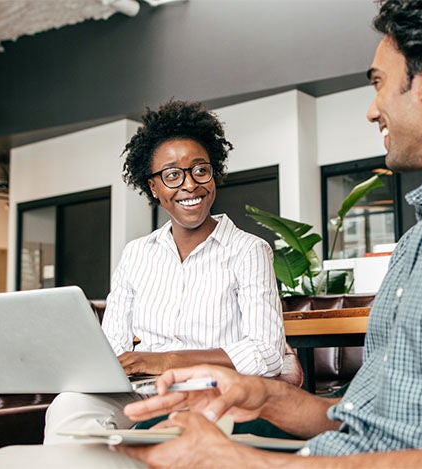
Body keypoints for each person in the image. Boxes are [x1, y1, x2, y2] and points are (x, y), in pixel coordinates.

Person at [113, 1, 422, 467]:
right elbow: (364, 418)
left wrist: (250, 463)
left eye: (379, 82)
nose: (372, 109)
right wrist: (258, 395)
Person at [43, 100, 286, 444]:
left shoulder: (249, 250)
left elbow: (266, 353)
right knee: (69, 408)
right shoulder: (137, 254)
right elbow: (114, 344)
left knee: (168, 430)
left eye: (200, 170)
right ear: (154, 187)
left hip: (211, 392)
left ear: (214, 173)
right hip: (141, 391)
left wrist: (166, 361)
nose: (189, 185)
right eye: (172, 175)